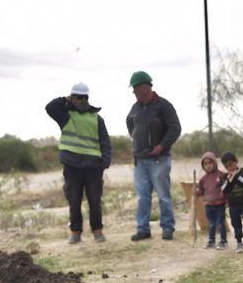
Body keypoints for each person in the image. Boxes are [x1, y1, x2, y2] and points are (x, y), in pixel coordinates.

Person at [45, 82, 112, 243]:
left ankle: (98, 231)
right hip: (72, 166)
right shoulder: (66, 115)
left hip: (93, 167)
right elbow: (50, 107)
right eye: (78, 97)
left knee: (94, 200)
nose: (82, 100)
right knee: (74, 200)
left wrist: (105, 161)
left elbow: (105, 141)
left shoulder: (97, 119)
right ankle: (75, 232)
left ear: (88, 98)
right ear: (73, 98)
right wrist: (66, 99)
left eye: (84, 97)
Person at [126, 71, 181, 241]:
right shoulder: (134, 109)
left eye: (136, 90)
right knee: (143, 197)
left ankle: (167, 228)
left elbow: (175, 128)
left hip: (159, 159)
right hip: (140, 161)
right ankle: (143, 229)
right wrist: (137, 144)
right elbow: (130, 125)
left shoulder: (163, 106)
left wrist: (162, 146)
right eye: (134, 91)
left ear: (144, 87)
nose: (135, 93)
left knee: (163, 196)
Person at [194, 151, 228, 250]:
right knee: (212, 223)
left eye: (210, 163)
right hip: (208, 204)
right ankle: (211, 241)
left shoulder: (221, 175)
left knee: (221, 222)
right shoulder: (203, 179)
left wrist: (227, 200)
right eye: (205, 164)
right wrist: (196, 192)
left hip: (220, 204)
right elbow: (201, 191)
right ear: (203, 165)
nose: (208, 166)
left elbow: (227, 189)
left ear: (215, 163)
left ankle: (223, 241)